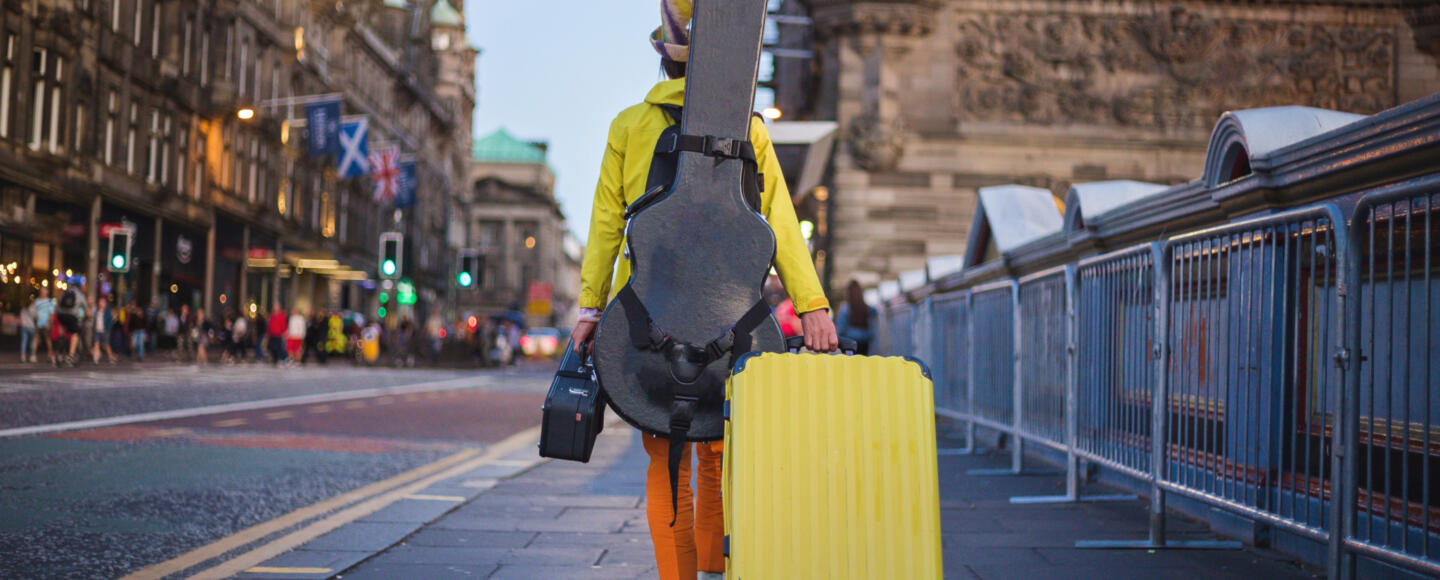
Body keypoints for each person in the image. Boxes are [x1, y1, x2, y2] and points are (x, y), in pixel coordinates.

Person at [568, 5, 838, 578]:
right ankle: (717, 568)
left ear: (664, 59)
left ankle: (677, 575)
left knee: (665, 455)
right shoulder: (751, 131)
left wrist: (591, 308)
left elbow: (606, 229)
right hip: (731, 318)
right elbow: (781, 225)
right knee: (718, 453)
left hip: (644, 318)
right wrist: (811, 305)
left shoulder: (628, 126)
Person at [834, 280, 878, 355]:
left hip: (849, 345)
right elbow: (873, 331)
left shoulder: (845, 310)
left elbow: (840, 330)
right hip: (865, 345)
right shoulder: (869, 309)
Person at [55, 282, 88, 365]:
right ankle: (71, 355)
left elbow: (58, 303)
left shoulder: (65, 293)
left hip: (61, 315)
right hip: (71, 316)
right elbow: (86, 309)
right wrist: (87, 316)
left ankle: (59, 351)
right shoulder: (80, 295)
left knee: (63, 330)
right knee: (75, 334)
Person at [91, 297, 119, 364]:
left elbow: (110, 321)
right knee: (96, 344)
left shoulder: (107, 312)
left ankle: (110, 357)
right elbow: (94, 321)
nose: (100, 304)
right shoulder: (97, 311)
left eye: (102, 302)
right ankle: (96, 358)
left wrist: (108, 329)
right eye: (100, 302)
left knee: (106, 344)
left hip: (104, 330)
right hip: (97, 330)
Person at [33, 287, 55, 364]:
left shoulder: (50, 301)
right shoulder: (36, 301)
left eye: (44, 291)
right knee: (35, 338)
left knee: (48, 339)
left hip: (46, 323)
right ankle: (33, 355)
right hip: (38, 323)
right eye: (41, 291)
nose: (43, 292)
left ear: (47, 292)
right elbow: (33, 312)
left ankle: (50, 355)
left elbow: (52, 313)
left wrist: (49, 323)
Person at [19, 298, 37, 363]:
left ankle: (23, 356)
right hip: (31, 327)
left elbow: (20, 318)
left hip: (24, 327)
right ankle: (32, 356)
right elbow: (36, 317)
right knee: (32, 342)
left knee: (24, 342)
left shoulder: (23, 309)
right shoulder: (32, 308)